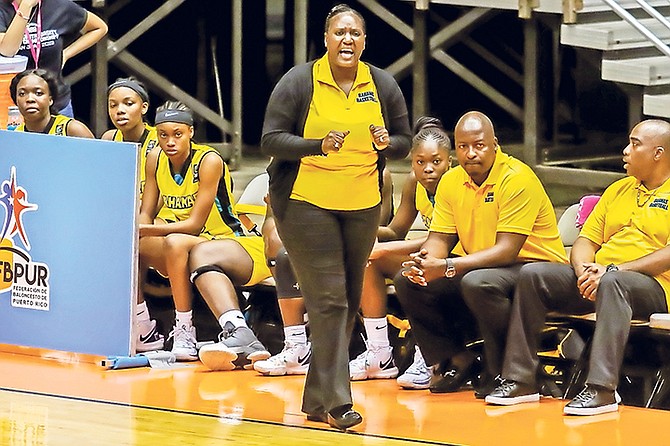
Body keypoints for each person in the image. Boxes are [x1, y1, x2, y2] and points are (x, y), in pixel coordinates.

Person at [260, 3, 411, 431]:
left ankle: (314, 399)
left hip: (362, 204)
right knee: (329, 299)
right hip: (306, 201)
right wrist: (317, 145)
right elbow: (271, 139)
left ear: (364, 41)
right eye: (340, 33)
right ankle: (339, 401)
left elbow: (403, 141)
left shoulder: (381, 83)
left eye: (356, 34)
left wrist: (388, 143)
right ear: (326, 39)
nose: (348, 40)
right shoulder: (300, 81)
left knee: (344, 301)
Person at [485, 119, 670, 416]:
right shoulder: (618, 190)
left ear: (658, 153)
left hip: (653, 285)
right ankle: (521, 380)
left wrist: (613, 270)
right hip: (602, 277)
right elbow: (585, 240)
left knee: (614, 284)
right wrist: (586, 270)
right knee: (535, 275)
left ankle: (602, 389)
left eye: (635, 144)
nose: (625, 151)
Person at [393, 111, 567, 398]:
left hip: (535, 269)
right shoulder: (452, 181)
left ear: (495, 144)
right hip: (485, 269)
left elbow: (507, 250)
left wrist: (448, 265)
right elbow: (440, 237)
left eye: (479, 145)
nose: (470, 153)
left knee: (478, 282)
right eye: (463, 146)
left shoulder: (517, 178)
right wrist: (426, 262)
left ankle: (507, 369)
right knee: (408, 280)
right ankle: (459, 359)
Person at [137, 101, 262, 360]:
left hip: (228, 241)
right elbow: (147, 210)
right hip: (188, 240)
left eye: (177, 134)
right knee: (134, 243)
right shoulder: (154, 158)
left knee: (174, 243)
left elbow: (194, 224)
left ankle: (185, 330)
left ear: (191, 132)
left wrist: (144, 228)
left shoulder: (209, 161)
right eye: (163, 135)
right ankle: (141, 326)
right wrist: (139, 229)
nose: (170, 141)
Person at [252, 167, 395, 378]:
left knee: (360, 254)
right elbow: (272, 224)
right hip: (322, 242)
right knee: (284, 255)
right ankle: (297, 347)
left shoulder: (376, 170)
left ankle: (379, 352)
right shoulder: (307, 166)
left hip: (358, 244)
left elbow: (382, 228)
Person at [349, 116, 452, 386]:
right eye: (420, 162)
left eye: (436, 162)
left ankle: (428, 356)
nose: (428, 169)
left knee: (409, 268)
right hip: (429, 254)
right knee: (367, 260)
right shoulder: (413, 183)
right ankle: (380, 353)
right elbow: (396, 231)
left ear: (449, 161)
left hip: (457, 259)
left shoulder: (455, 183)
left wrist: (384, 250)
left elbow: (444, 238)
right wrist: (360, 230)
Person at [0, 0, 108, 116]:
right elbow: (7, 50)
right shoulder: (2, 9)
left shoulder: (59, 6)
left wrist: (66, 54)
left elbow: (99, 28)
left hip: (56, 103)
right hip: (13, 105)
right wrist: (26, 7)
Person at [9, 68, 93, 137]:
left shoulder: (71, 129)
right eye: (22, 94)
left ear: (50, 99)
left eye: (38, 93)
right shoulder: (16, 136)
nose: (30, 99)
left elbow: (96, 156)